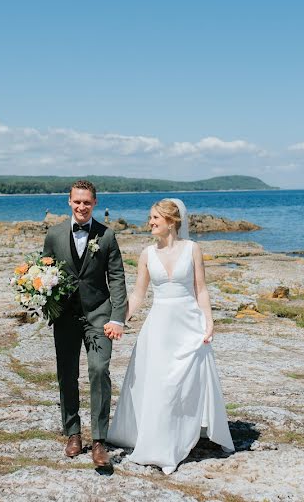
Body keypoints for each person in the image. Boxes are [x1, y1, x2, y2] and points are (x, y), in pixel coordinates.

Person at [106, 198, 234, 474]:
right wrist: (119, 320)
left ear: (171, 221)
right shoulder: (146, 254)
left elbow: (201, 289)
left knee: (182, 386)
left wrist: (209, 321)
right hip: (159, 329)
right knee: (161, 385)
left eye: (155, 218)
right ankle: (159, 444)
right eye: (150, 217)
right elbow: (138, 295)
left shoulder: (192, 249)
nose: (149, 222)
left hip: (188, 325)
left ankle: (179, 436)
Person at [42, 179, 127, 467]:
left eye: (87, 202)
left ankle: (100, 441)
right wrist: (42, 298)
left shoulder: (107, 236)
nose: (81, 207)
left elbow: (116, 278)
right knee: (66, 374)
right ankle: (73, 434)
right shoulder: (53, 234)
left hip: (99, 316)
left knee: (99, 369)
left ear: (95, 203)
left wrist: (118, 317)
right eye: (77, 201)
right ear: (69, 202)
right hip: (64, 316)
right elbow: (44, 272)